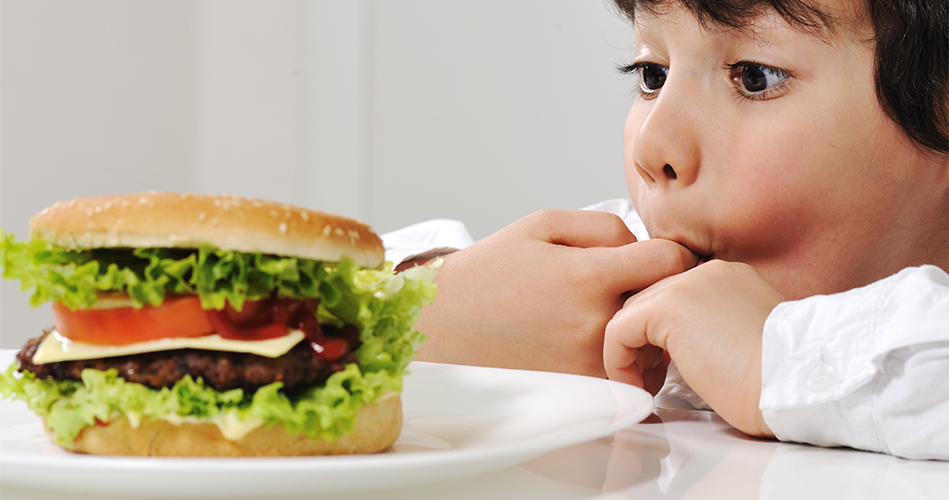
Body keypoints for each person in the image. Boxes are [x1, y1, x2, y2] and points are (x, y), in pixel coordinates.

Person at [383, 0, 948, 460]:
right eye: (652, 74)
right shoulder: (629, 259)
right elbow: (327, 275)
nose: (654, 149)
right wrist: (414, 314)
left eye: (755, 77)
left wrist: (778, 361)